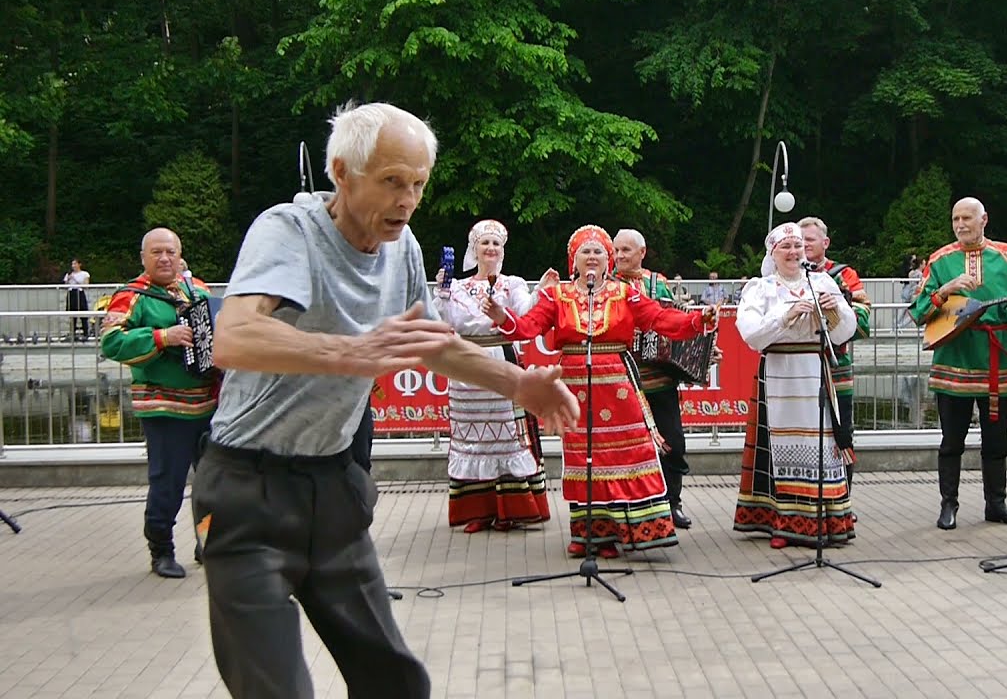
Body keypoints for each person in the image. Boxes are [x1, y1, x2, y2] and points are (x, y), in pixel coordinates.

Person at [195, 101, 578, 699]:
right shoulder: (289, 230)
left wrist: (517, 382)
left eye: (418, 184)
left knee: (397, 683)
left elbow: (432, 343)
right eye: (393, 181)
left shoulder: (403, 247)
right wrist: (352, 352)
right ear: (342, 173)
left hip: (331, 487)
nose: (408, 200)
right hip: (248, 492)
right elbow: (234, 336)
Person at [482, 225, 717, 558]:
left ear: (608, 261)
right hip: (575, 388)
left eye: (598, 252)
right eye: (585, 252)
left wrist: (697, 321)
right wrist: (502, 317)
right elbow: (528, 327)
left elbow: (660, 319)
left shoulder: (625, 294)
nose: (591, 257)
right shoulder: (556, 296)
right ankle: (591, 534)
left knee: (626, 453)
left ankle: (633, 530)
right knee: (583, 459)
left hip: (618, 386)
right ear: (573, 260)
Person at [907, 197, 1007, 531]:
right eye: (955, 219)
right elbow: (918, 312)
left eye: (967, 218)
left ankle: (996, 504)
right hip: (953, 358)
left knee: (996, 440)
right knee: (951, 440)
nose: (960, 225)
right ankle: (948, 505)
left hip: (996, 359)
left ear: (984, 219)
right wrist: (946, 289)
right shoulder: (940, 259)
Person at [100, 229, 218, 579]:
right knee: (168, 484)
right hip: (164, 406)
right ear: (143, 257)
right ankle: (161, 550)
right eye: (156, 252)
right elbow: (111, 342)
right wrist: (162, 337)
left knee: (214, 484)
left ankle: (208, 543)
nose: (164, 258)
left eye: (170, 251)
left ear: (180, 255)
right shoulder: (131, 296)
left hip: (210, 404)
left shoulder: (199, 290)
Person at [733, 222, 859, 548]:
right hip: (779, 371)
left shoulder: (821, 281)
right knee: (779, 445)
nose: (793, 252)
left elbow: (845, 331)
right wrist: (785, 317)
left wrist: (834, 311)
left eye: (797, 246)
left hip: (814, 368)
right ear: (772, 254)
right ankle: (784, 522)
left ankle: (825, 522)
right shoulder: (760, 288)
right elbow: (750, 333)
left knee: (821, 444)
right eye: (785, 247)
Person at [434, 219, 551, 533]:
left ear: (503, 250)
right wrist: (442, 292)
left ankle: (511, 509)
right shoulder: (456, 286)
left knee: (508, 434)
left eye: (496, 243)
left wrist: (541, 290)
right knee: (472, 436)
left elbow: (525, 314)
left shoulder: (513, 284)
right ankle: (478, 511)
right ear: (474, 249)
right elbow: (445, 320)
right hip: (467, 364)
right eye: (484, 243)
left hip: (502, 358)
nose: (490, 248)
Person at [613, 228, 694, 529]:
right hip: (622, 380)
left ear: (642, 252)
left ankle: (672, 503)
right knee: (628, 445)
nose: (619, 256)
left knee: (673, 442)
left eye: (625, 250)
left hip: (660, 379)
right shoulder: (608, 284)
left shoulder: (657, 282)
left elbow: (672, 321)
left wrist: (698, 350)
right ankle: (631, 507)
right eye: (616, 250)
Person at [798, 217, 871, 460]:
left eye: (809, 239)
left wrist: (837, 309)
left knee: (842, 431)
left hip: (835, 364)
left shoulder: (844, 274)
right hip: (797, 365)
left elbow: (863, 318)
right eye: (799, 240)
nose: (804, 245)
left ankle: (844, 482)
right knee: (800, 428)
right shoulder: (787, 273)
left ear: (825, 242)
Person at [64, 258, 91, 340]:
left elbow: (86, 285)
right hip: (71, 293)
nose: (73, 266)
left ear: (79, 264)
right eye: (72, 264)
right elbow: (65, 285)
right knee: (72, 314)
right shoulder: (69, 274)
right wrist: (68, 279)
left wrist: (75, 279)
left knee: (83, 313)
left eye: (75, 264)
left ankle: (86, 332)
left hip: (80, 292)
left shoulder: (84, 274)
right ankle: (73, 333)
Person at [898, 257, 925, 327]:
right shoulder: (920, 274)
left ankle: (899, 326)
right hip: (915, 295)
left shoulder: (912, 273)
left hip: (910, 293)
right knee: (915, 313)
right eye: (924, 264)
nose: (924, 266)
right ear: (920, 265)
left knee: (904, 311)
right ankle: (901, 326)